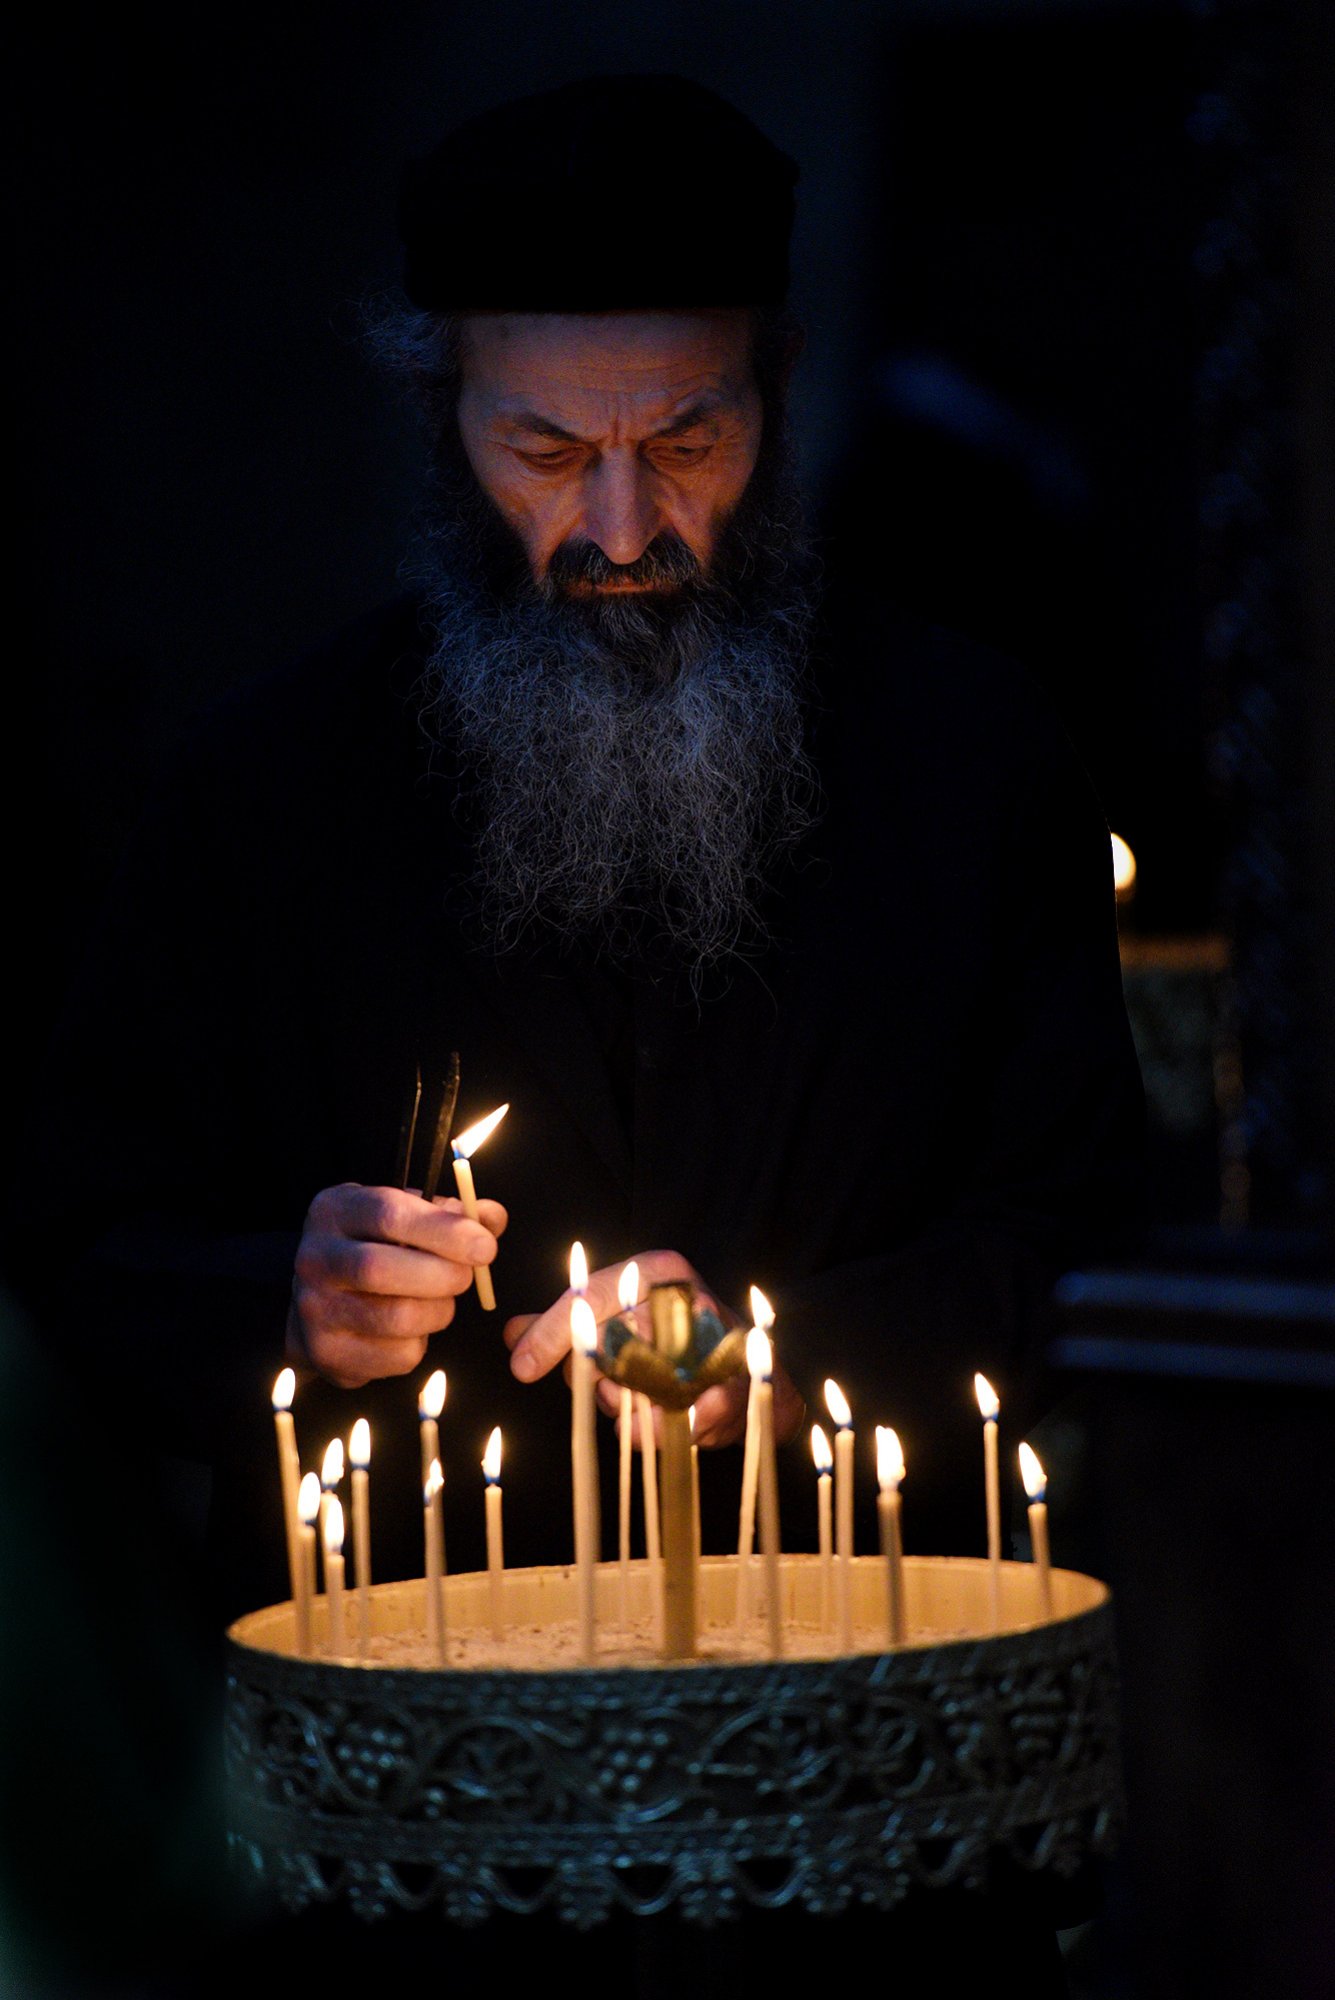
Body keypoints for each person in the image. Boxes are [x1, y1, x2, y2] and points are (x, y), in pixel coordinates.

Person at [13, 75, 1142, 1989]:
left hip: (866, 1851)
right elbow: (69, 1267)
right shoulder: (260, 803)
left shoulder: (975, 763)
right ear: (442, 412)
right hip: (392, 1884)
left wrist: (786, 1358)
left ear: (777, 397)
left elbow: (1099, 1251)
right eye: (545, 447)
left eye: (687, 435)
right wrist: (284, 1309)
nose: (622, 527)